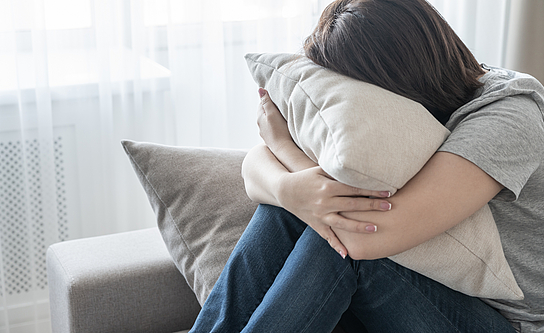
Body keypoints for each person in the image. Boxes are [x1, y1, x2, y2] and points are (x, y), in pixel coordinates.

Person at [189, 0, 544, 332]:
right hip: (426, 287)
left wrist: (286, 153)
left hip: (504, 320)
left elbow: (366, 240)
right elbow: (254, 168)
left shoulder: (509, 115)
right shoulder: (407, 110)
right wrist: (287, 190)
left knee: (338, 237)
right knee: (287, 210)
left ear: (391, 76)